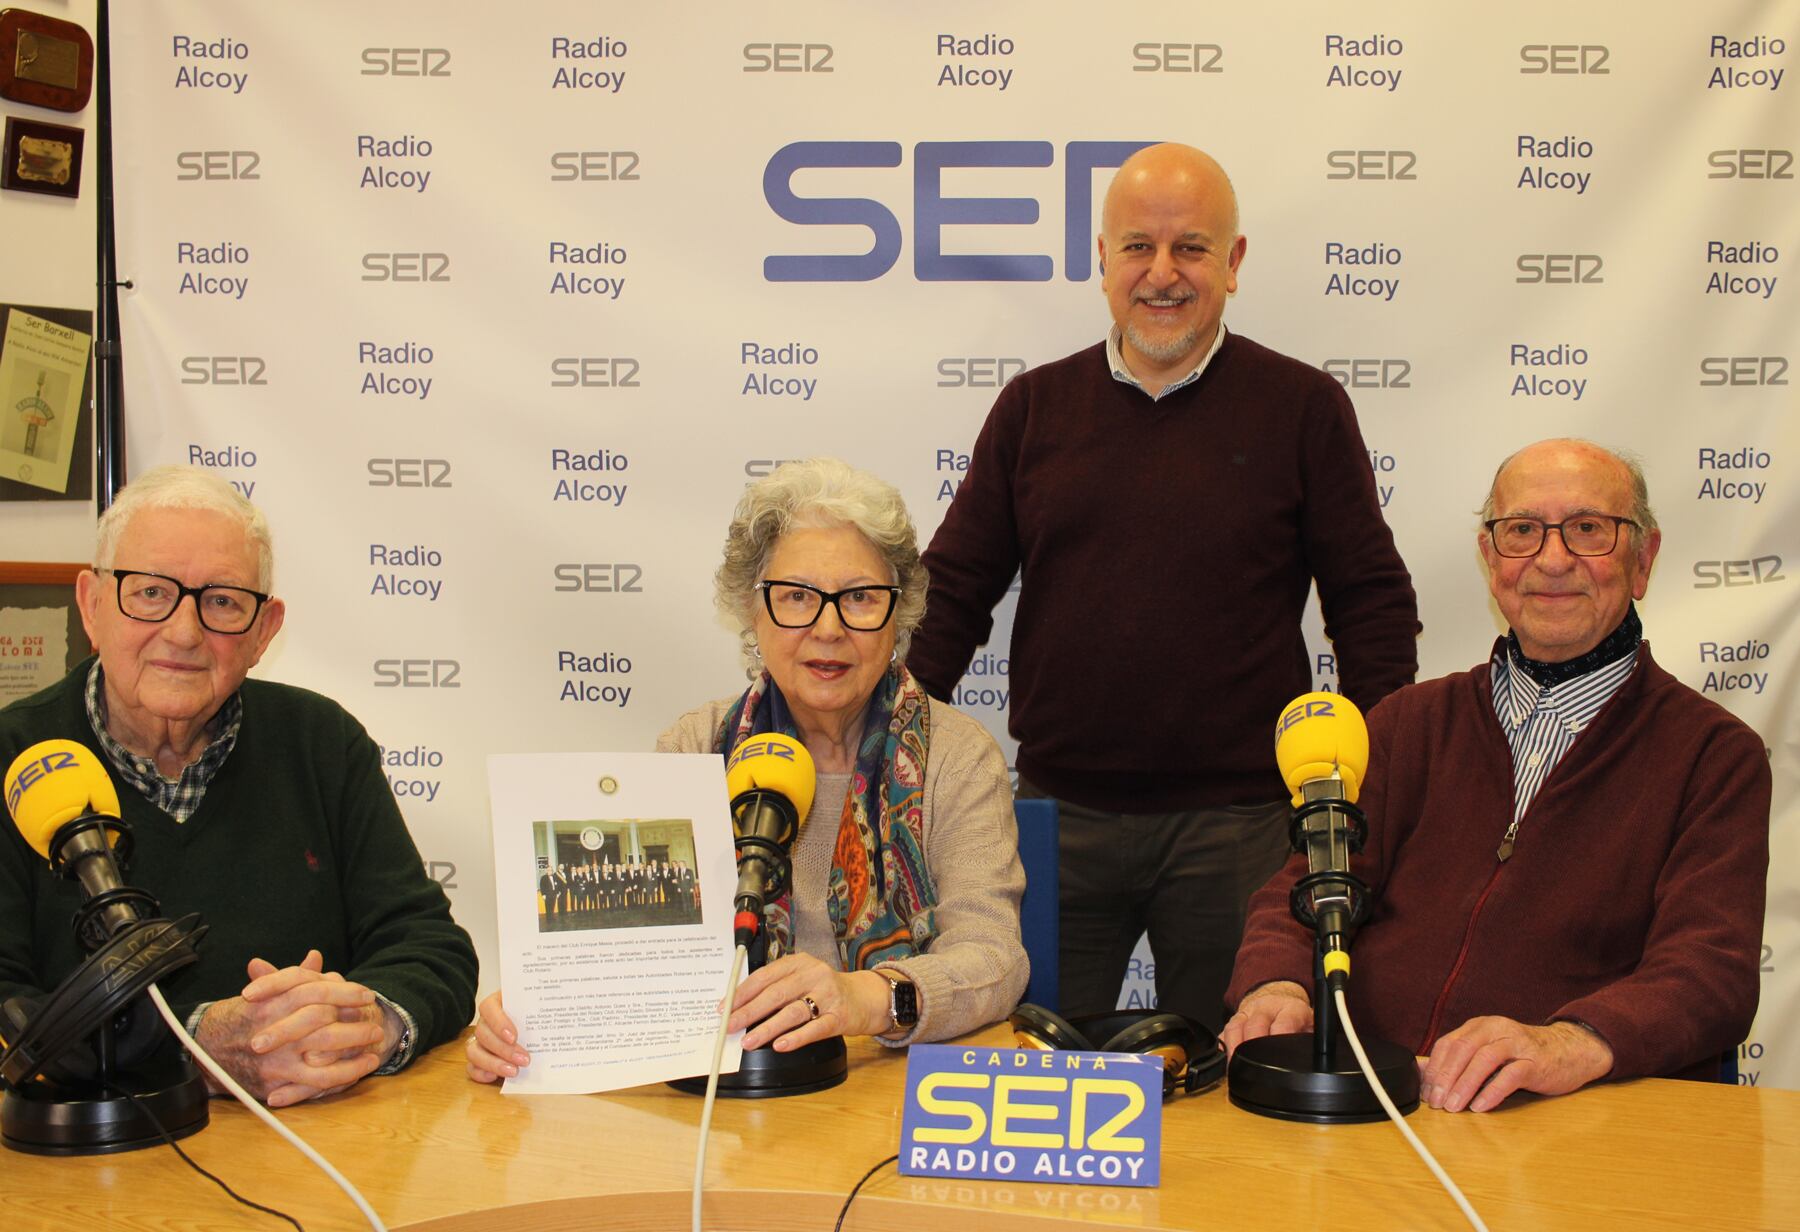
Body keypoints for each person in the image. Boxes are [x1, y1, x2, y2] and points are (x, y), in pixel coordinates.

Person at [907, 141, 1419, 1031]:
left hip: (1244, 830)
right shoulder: (1033, 409)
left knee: (1236, 1074)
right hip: (1055, 822)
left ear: (1235, 261)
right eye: (1139, 246)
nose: (1163, 273)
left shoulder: (1302, 407)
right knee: (1029, 1065)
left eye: (1191, 248)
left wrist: (1376, 781)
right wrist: (892, 744)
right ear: (1103, 258)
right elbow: (951, 592)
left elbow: (1369, 601)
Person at [1223, 439, 1770, 1110]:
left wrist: (1571, 1042)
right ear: (1490, 558)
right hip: (1375, 1104)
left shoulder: (1714, 756)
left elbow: (1710, 972)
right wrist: (1275, 983)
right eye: (1522, 531)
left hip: (1564, 1119)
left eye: (1588, 529)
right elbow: (1307, 887)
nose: (1553, 559)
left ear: (1643, 559)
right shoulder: (1406, 723)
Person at [467, 459, 1028, 1082]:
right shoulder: (696, 750)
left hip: (894, 1090)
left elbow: (993, 957)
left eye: (860, 598)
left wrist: (866, 996)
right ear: (751, 610)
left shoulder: (956, 756)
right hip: (726, 1094)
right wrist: (538, 1013)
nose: (829, 628)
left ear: (898, 616)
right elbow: (625, 953)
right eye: (797, 597)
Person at [0, 466, 477, 1108]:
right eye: (150, 592)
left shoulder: (323, 743)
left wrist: (367, 1023)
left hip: (321, 1140)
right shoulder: (12, 758)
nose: (184, 632)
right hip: (99, 1154)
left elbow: (430, 947)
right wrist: (195, 1049)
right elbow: (8, 1010)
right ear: (91, 605)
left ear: (264, 631)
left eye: (222, 601)